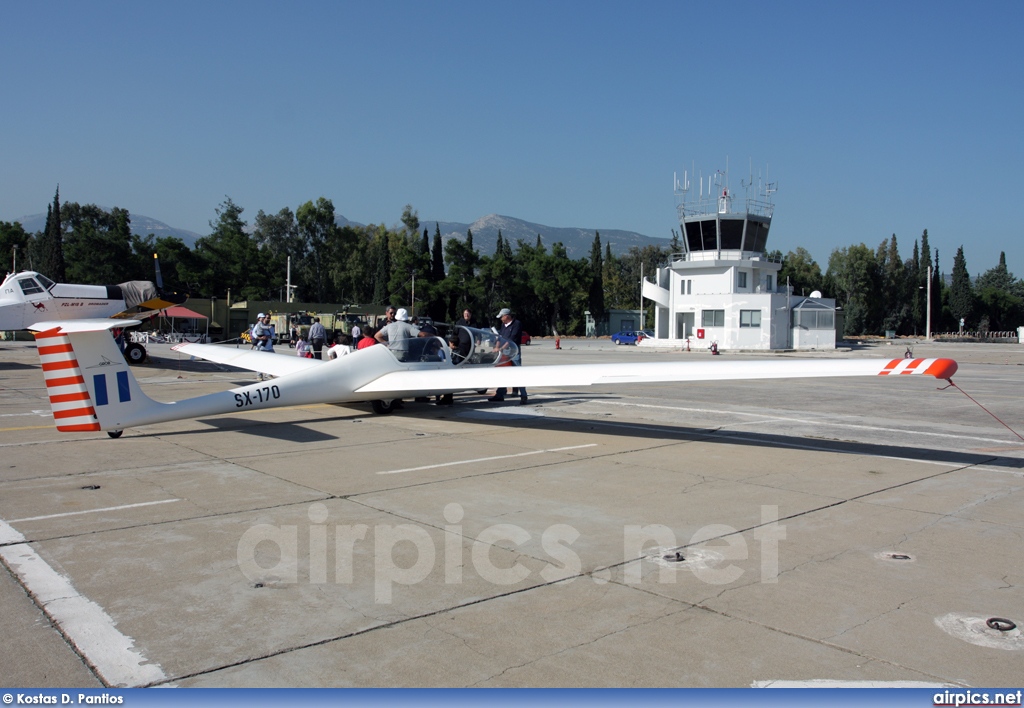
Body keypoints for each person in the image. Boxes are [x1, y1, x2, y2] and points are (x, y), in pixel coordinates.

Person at [489, 307, 527, 404]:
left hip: (514, 352)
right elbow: (500, 338)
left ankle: (523, 395)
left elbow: (511, 340)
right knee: (503, 373)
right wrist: (497, 348)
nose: (501, 319)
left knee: (518, 373)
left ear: (506, 316)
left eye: (502, 317)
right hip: (504, 353)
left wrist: (501, 348)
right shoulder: (503, 325)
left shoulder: (517, 324)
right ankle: (500, 394)